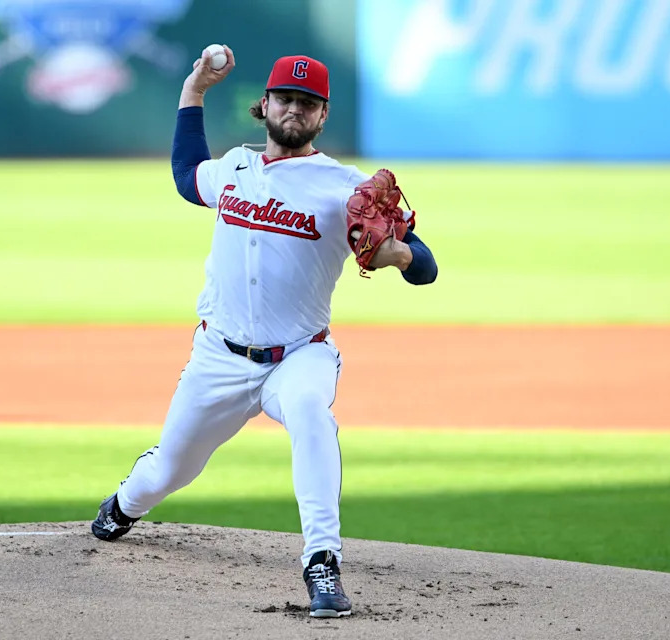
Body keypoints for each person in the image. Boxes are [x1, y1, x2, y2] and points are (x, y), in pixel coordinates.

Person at [91, 46, 438, 618]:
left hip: (299, 356)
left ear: (323, 116)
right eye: (286, 98)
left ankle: (322, 563)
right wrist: (194, 90)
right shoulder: (234, 167)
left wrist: (399, 254)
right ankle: (126, 504)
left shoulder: (345, 187)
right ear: (265, 104)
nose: (295, 109)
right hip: (218, 358)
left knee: (308, 410)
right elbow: (184, 177)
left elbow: (425, 267)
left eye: (308, 102)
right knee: (168, 471)